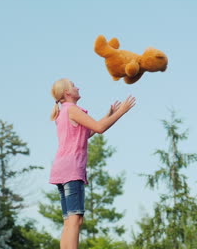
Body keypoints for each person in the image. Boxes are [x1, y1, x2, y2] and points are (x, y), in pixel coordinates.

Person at [49, 78, 136, 249]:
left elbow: (86, 133)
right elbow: (99, 128)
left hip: (61, 169)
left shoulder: (63, 111)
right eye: (74, 86)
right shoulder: (72, 110)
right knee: (75, 220)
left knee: (69, 221)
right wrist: (122, 112)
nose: (77, 87)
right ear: (67, 93)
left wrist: (108, 115)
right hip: (72, 170)